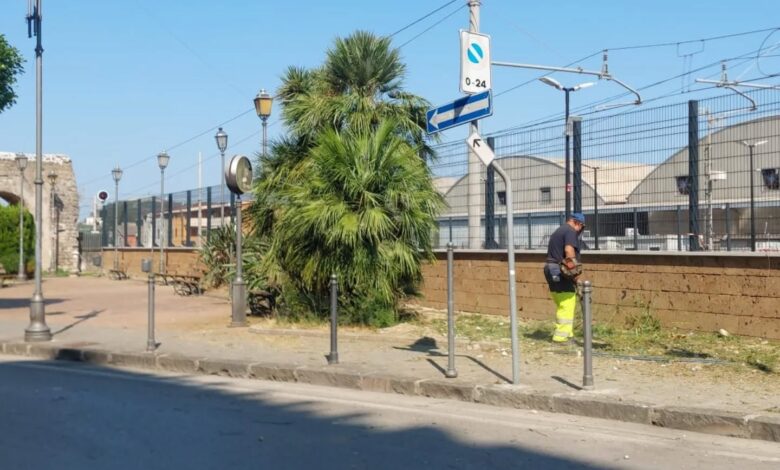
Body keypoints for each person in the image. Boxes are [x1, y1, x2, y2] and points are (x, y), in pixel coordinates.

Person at [543, 212, 586, 343]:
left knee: (564, 302)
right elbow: (568, 251)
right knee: (567, 302)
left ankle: (568, 335)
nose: (580, 230)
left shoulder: (560, 230)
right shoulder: (570, 231)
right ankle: (560, 338)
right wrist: (576, 275)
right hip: (558, 270)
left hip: (550, 269)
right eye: (582, 227)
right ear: (577, 223)